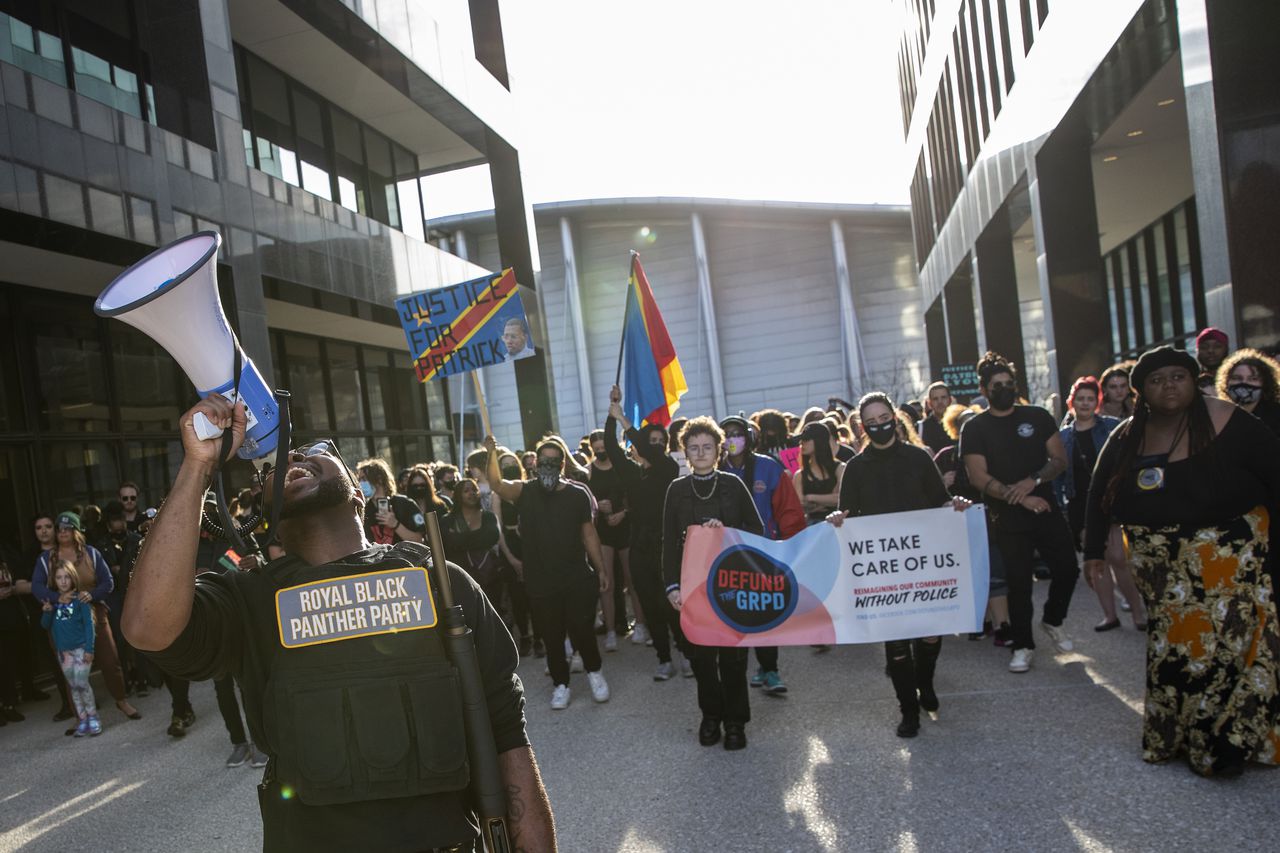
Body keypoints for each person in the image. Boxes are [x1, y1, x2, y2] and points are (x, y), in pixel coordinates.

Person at [125, 397, 556, 851]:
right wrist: (197, 468)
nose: (291, 456)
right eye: (269, 467)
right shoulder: (249, 599)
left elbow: (507, 739)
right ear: (263, 511)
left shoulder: (439, 582)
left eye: (313, 449)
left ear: (356, 487)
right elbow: (147, 627)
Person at [1084, 346, 1280, 777]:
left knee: (1227, 652)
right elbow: (1100, 495)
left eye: (1178, 376)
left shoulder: (1231, 422)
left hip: (1229, 563)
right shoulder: (1128, 435)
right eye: (1156, 380)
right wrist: (1095, 551)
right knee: (1175, 653)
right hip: (1162, 571)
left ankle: (1226, 746)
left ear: (1194, 381)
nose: (1168, 386)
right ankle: (1181, 735)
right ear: (1141, 392)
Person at [828, 393, 972, 737]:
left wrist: (956, 506)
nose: (879, 425)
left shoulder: (919, 458)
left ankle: (926, 684)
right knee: (895, 644)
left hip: (923, 562)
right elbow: (848, 515)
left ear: (895, 417)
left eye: (883, 417)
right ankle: (908, 710)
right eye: (871, 421)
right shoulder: (856, 468)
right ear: (863, 427)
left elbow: (940, 501)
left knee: (929, 636)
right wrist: (837, 519)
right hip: (883, 567)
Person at [961, 352, 1078, 673]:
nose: (1004, 389)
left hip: (1047, 509)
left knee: (1068, 569)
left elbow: (1058, 460)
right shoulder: (975, 428)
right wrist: (1021, 497)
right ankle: (1023, 644)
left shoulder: (1038, 416)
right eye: (997, 385)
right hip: (1009, 517)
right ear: (984, 390)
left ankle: (1053, 620)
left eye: (1009, 383)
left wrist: (1033, 481)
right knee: (1018, 584)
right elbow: (978, 477)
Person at [486, 434, 612, 710]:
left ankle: (595, 673)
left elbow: (589, 534)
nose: (548, 466)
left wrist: (601, 568)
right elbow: (496, 483)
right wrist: (491, 453)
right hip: (541, 580)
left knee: (582, 629)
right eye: (544, 460)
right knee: (552, 635)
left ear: (562, 464)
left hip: (576, 576)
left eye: (554, 461)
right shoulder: (525, 491)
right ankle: (561, 684)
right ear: (535, 463)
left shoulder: (577, 494)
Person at [663, 418, 765, 751]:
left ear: (718, 450)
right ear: (685, 453)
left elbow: (757, 531)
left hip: (731, 583)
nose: (701, 452)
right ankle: (711, 717)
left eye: (707, 446)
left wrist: (727, 532)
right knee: (702, 659)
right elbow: (668, 543)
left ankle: (736, 722)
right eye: (694, 447)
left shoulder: (734, 485)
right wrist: (671, 586)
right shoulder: (676, 490)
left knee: (733, 659)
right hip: (693, 588)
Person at [604, 387, 688, 681]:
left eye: (659, 442)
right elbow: (610, 447)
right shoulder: (632, 473)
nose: (654, 445)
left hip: (667, 547)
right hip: (639, 546)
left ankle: (685, 653)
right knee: (651, 604)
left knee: (673, 603)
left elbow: (647, 447)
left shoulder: (667, 468)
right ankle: (664, 659)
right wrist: (612, 411)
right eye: (650, 441)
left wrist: (625, 419)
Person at [720, 415, 806, 695]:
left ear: (748, 437)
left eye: (737, 433)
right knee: (739, 612)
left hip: (765, 550)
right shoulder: (715, 470)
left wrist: (790, 547)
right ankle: (748, 670)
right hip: (728, 555)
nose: (732, 439)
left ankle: (770, 669)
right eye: (727, 434)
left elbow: (789, 510)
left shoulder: (769, 468)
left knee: (765, 611)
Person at [33, 512, 141, 722]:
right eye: (60, 529)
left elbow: (108, 582)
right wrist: (56, 597)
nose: (63, 532)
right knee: (70, 669)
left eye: (68, 528)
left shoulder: (91, 553)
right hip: (62, 620)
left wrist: (91, 594)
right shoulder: (46, 559)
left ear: (77, 531)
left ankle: (121, 701)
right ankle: (80, 717)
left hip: (93, 613)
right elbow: (36, 586)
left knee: (110, 661)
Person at [1056, 378, 1145, 632]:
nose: (1085, 403)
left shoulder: (1111, 427)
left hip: (1111, 501)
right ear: (1072, 402)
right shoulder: (1062, 437)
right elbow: (1059, 476)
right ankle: (1109, 615)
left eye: (1090, 399)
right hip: (1079, 504)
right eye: (1080, 399)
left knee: (1118, 556)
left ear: (1097, 403)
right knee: (1096, 561)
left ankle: (1138, 612)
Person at [587, 429, 645, 652]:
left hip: (626, 527)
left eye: (605, 448)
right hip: (602, 530)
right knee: (607, 583)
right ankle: (610, 630)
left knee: (632, 580)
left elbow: (636, 497)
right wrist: (597, 507)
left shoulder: (624, 466)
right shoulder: (590, 470)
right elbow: (585, 500)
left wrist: (623, 512)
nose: (602, 452)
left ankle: (640, 625)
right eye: (597, 449)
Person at [41, 561, 101, 736]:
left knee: (82, 682)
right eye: (59, 577)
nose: (63, 581)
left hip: (81, 649)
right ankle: (82, 719)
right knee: (74, 685)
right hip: (64, 653)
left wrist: (90, 649)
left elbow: (89, 626)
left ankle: (93, 717)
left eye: (67, 576)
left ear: (73, 578)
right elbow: (45, 625)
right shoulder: (54, 603)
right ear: (54, 580)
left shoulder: (80, 601)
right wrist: (46, 611)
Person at [492, 451, 538, 657]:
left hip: (531, 544)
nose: (510, 466)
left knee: (536, 593)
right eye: (505, 464)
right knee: (517, 596)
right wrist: (510, 557)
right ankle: (525, 637)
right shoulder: (497, 495)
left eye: (513, 463)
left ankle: (540, 636)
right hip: (509, 545)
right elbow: (498, 527)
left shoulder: (528, 488)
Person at [441, 479, 503, 607]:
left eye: (474, 490)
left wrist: (459, 538)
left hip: (488, 577)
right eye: (466, 491)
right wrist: (476, 538)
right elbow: (449, 544)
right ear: (458, 495)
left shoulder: (488, 517)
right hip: (460, 580)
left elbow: (492, 537)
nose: (472, 493)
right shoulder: (448, 520)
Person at [356, 458, 425, 545]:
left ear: (379, 479)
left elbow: (419, 540)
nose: (360, 483)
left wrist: (395, 524)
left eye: (364, 479)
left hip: (405, 558)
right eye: (359, 479)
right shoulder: (363, 510)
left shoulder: (405, 504)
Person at [1217, 348, 1280, 436]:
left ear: (1265, 383)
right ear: (1226, 382)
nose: (1244, 383)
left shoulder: (1276, 416)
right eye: (1237, 378)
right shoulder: (1217, 415)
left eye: (1253, 379)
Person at [794, 422, 844, 525]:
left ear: (819, 441)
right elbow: (799, 506)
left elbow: (840, 498)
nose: (802, 443)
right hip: (812, 528)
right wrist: (828, 499)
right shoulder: (799, 475)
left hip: (838, 525)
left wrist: (810, 497)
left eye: (806, 439)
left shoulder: (840, 468)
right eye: (801, 439)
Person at [0, 558, 29, 725]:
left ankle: (10, 705)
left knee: (7, 664)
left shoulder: (5, 561)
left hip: (8, 619)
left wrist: (12, 589)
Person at [918, 382, 956, 454]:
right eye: (935, 399)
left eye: (943, 397)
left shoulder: (959, 424)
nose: (940, 402)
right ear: (929, 403)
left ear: (950, 400)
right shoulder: (920, 428)